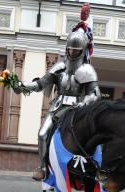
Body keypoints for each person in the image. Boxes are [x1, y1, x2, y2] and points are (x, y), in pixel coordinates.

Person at [14, 3, 100, 181]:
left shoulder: (87, 70)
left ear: (82, 50)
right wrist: (22, 85)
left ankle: (94, 168)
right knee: (42, 133)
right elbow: (40, 85)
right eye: (70, 49)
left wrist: (84, 103)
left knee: (92, 137)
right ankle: (43, 167)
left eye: (76, 50)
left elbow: (94, 94)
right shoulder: (59, 67)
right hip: (58, 106)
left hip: (77, 108)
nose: (72, 52)